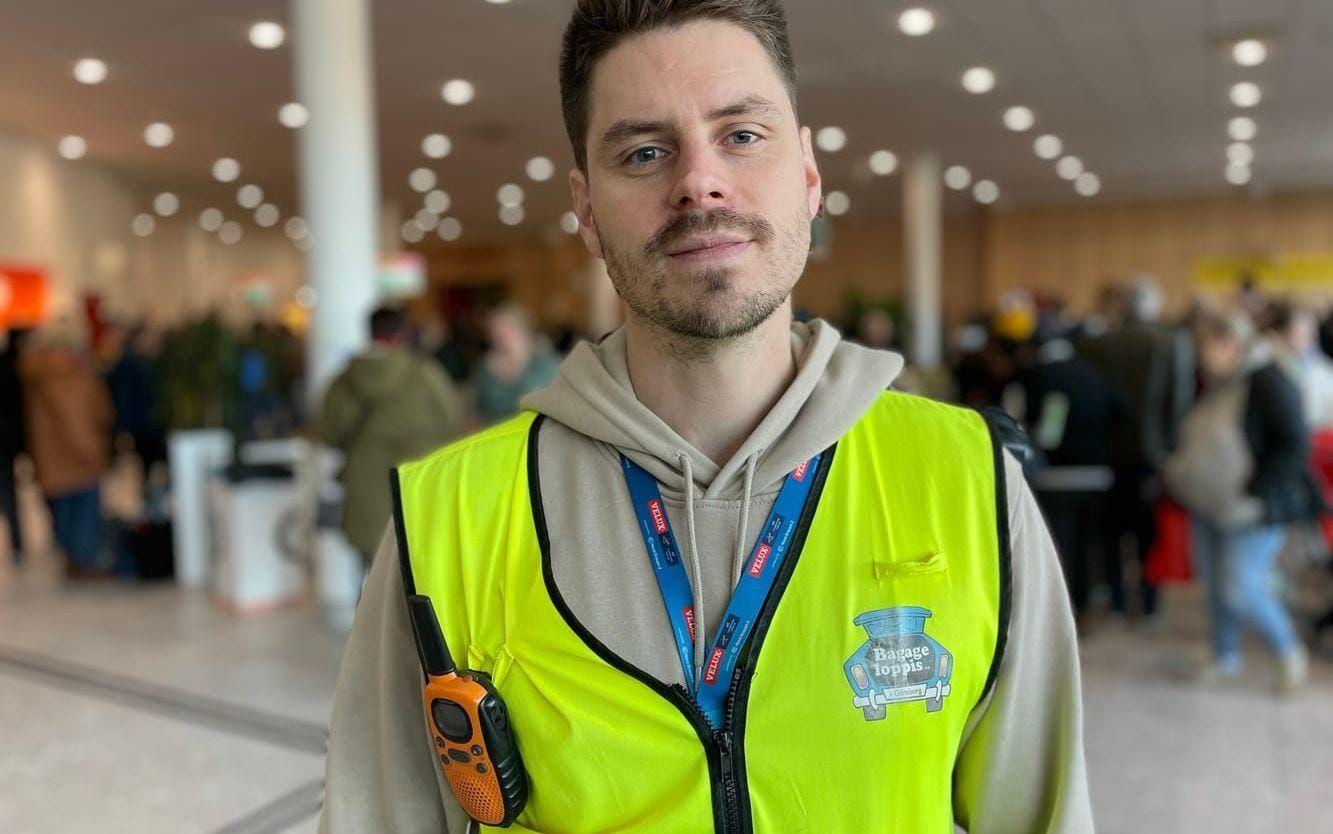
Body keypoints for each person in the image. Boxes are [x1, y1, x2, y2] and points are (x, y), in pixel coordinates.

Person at [319, 2, 1093, 832]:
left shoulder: (966, 478)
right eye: (644, 152)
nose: (699, 182)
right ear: (586, 210)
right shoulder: (447, 520)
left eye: (742, 135)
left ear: (808, 174)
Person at [1163, 310, 1317, 693]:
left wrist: (1257, 490)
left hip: (1251, 507)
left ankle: (1288, 652)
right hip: (1210, 502)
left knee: (1240, 586)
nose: (1202, 358)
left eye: (1207, 348)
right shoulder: (1220, 381)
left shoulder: (1268, 380)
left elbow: (1294, 443)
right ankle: (1225, 657)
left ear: (1230, 345)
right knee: (1215, 587)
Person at [1082, 277, 1193, 624]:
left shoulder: (1098, 344)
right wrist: (1173, 449)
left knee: (1112, 532)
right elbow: (1178, 401)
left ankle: (1116, 601)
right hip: (1153, 453)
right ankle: (1148, 605)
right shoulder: (1171, 342)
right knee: (1149, 533)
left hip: (1108, 452)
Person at [318, 307, 466, 565]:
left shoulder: (344, 381)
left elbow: (328, 433)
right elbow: (454, 423)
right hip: (418, 487)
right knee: (423, 572)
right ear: (403, 333)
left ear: (370, 332)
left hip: (365, 492)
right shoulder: (426, 374)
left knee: (373, 572)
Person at [1023, 329, 1126, 624]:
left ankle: (1063, 612)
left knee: (1058, 548)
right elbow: (1124, 414)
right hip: (1097, 476)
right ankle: (1090, 603)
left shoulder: (1039, 376)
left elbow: (1043, 433)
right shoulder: (1098, 376)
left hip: (1054, 478)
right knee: (1091, 545)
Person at [19, 321, 114, 580]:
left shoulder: (38, 373)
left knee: (64, 512)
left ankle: (74, 560)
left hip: (50, 457)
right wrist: (91, 450)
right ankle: (84, 562)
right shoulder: (71, 373)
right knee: (85, 511)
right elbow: (77, 419)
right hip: (79, 456)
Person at [471, 303, 560, 425]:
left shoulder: (545, 365)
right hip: (494, 431)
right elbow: (477, 412)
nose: (498, 336)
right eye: (494, 331)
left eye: (506, 329)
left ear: (521, 329)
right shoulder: (485, 367)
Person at [0, 328, 28, 564]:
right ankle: (18, 543)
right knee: (8, 493)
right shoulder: (15, 369)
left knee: (8, 493)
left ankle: (18, 543)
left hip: (8, 442)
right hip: (9, 442)